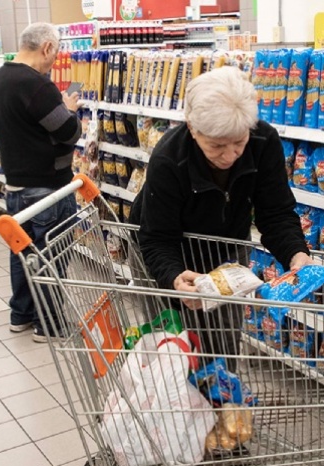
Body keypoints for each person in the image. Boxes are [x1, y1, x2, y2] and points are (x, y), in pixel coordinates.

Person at [129, 65, 313, 358]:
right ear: (192, 127)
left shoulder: (264, 142)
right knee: (175, 351)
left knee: (222, 348)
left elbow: (275, 212)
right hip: (168, 253)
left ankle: (222, 400)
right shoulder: (169, 159)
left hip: (225, 254)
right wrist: (175, 278)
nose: (229, 156)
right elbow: (156, 238)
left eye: (239, 142)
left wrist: (296, 253)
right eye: (216, 146)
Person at [0, 22, 81, 343]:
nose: (54, 61)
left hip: (16, 187)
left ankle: (21, 315)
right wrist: (69, 110)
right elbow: (67, 132)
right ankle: (49, 324)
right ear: (47, 48)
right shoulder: (37, 85)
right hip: (49, 188)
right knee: (52, 255)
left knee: (22, 253)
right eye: (56, 52)